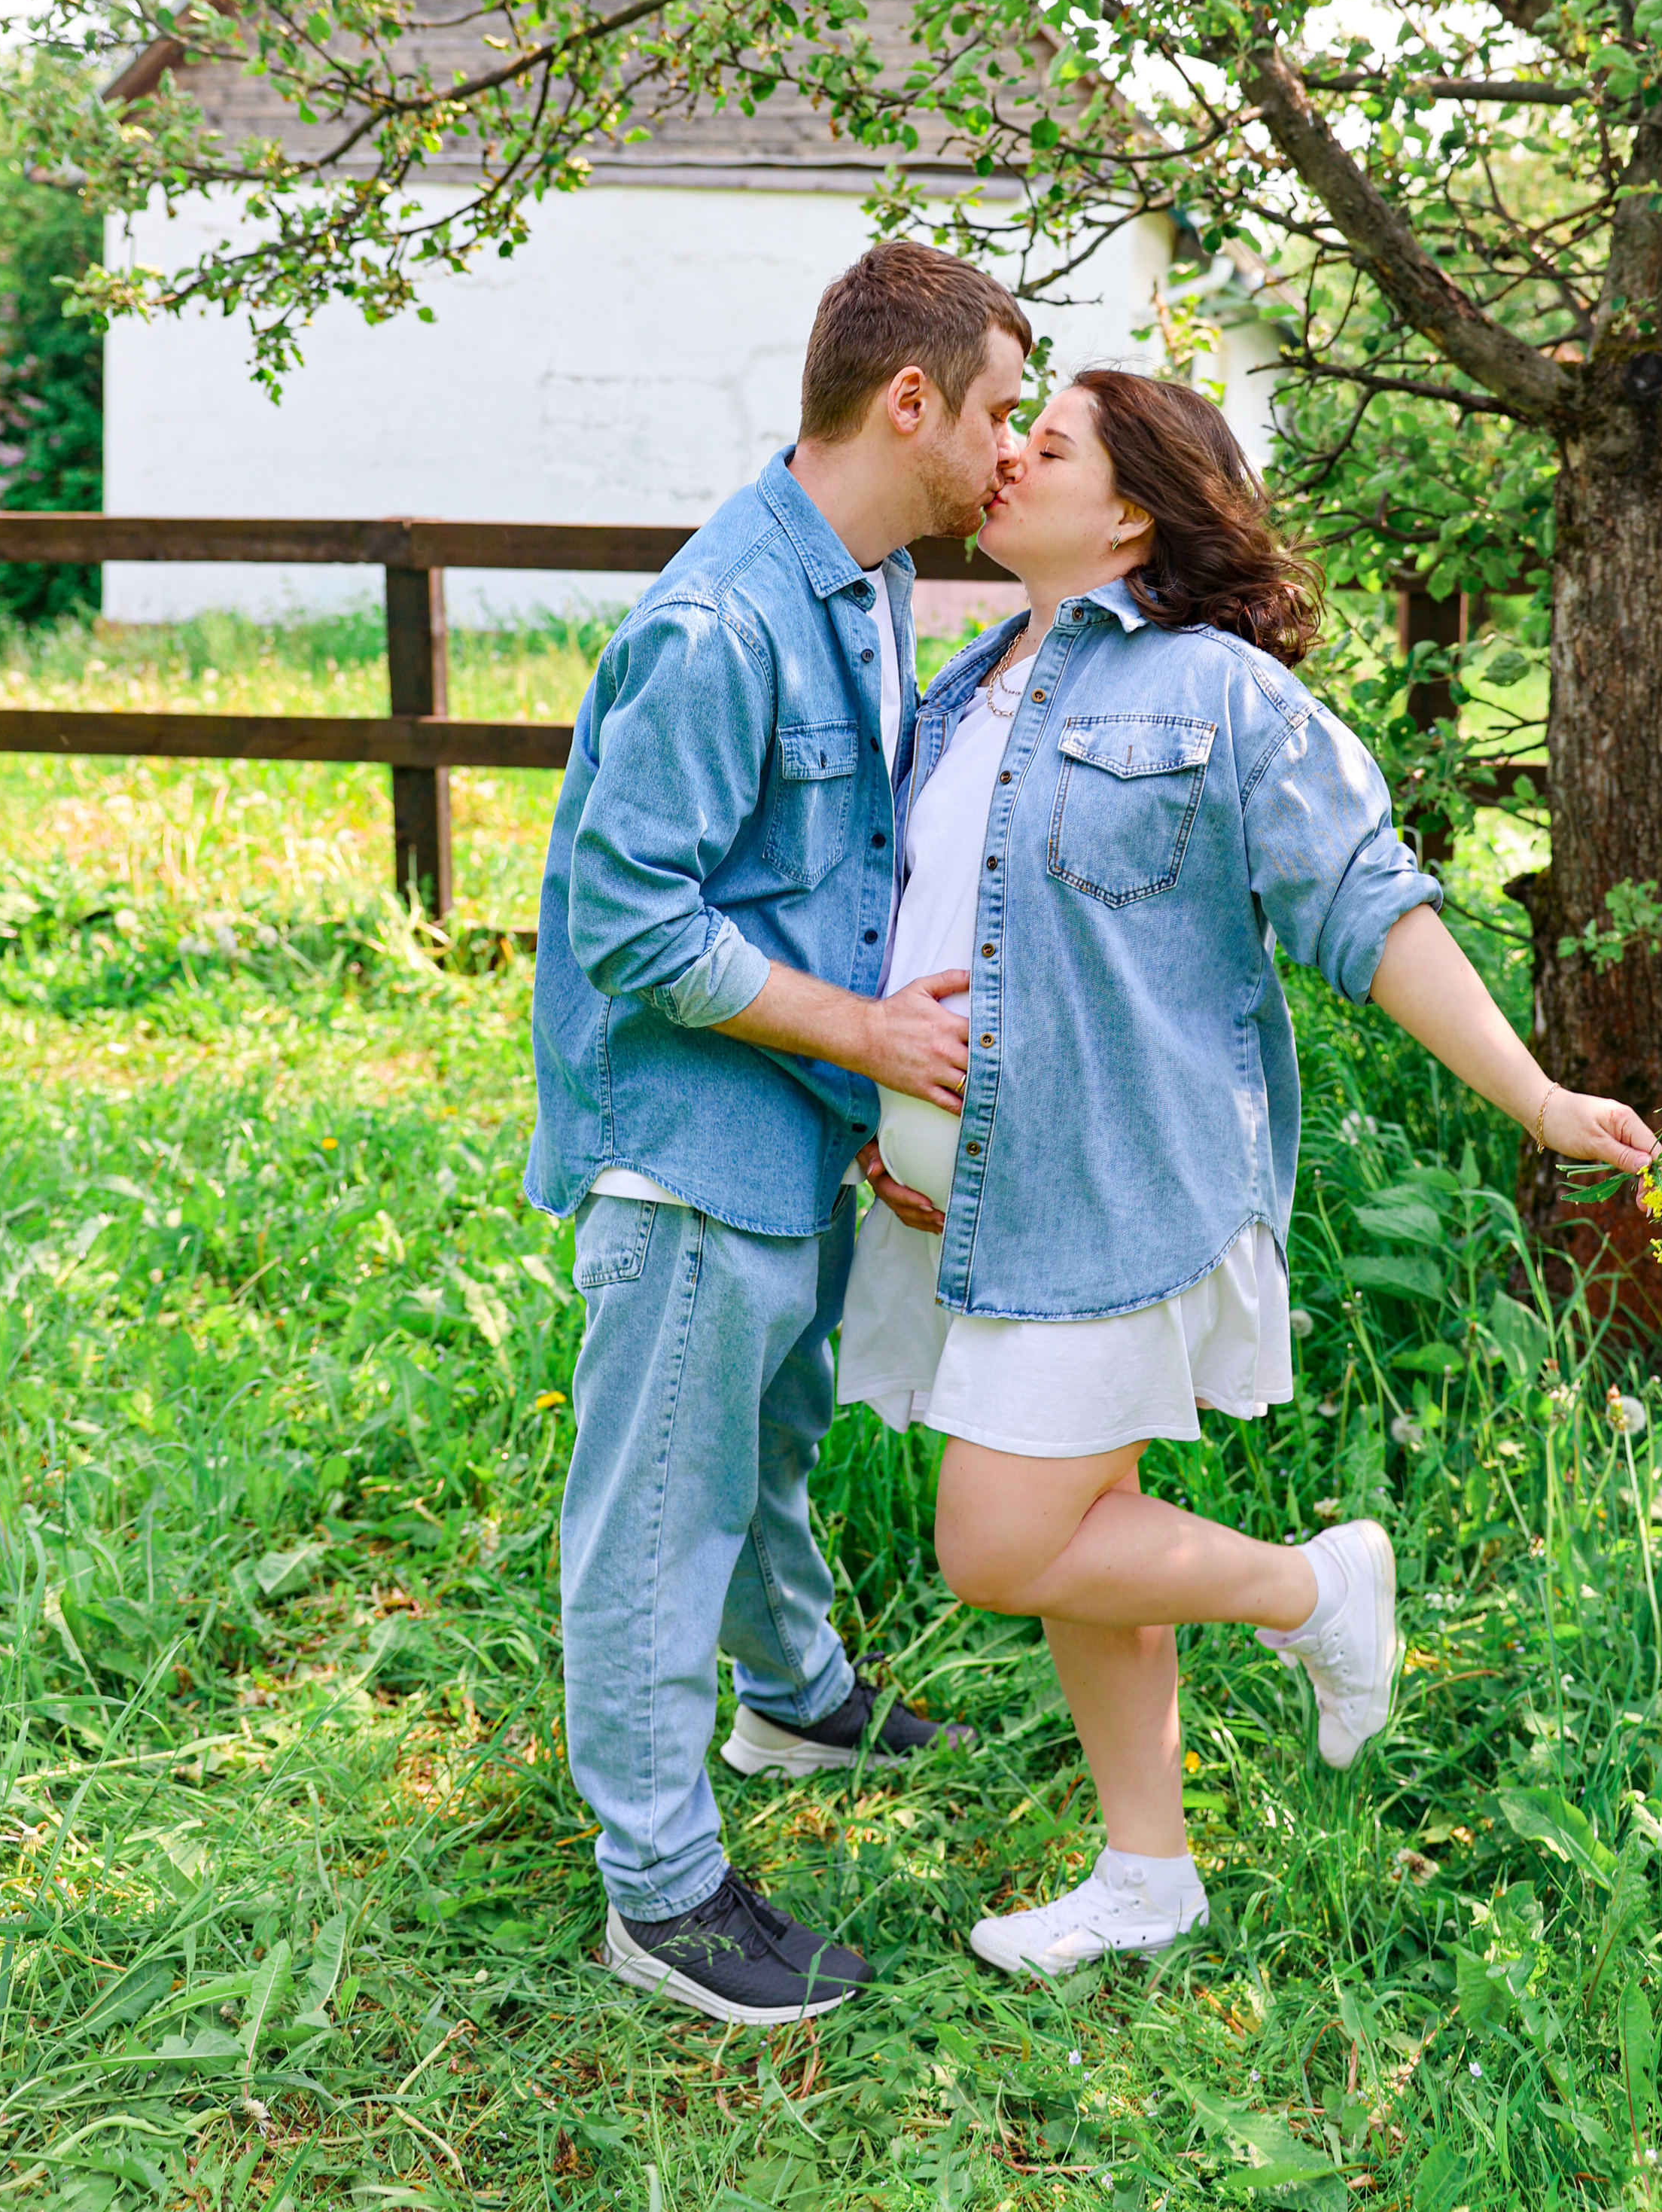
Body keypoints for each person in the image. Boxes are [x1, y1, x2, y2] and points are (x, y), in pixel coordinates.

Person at [836, 369, 1659, 1977]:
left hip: (1111, 1195)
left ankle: (1311, 1589)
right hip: (961, 1202)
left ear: (1130, 506)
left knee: (993, 1543)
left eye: (1047, 444)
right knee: (1096, 1525)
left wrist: (1535, 1095)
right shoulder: (956, 686)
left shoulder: (1218, 696)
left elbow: (1369, 910)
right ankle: (1147, 1875)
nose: (1004, 459)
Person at [527, 238, 1031, 2026]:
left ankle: (791, 1693)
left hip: (795, 1126)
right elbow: (629, 920)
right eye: (997, 417)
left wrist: (863, 1090)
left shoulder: (869, 584)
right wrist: (871, 1035)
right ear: (911, 402)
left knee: (768, 1441)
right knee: (655, 1511)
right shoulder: (720, 619)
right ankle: (657, 1891)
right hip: (686, 1146)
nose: (1009, 458)